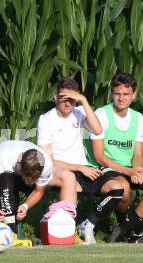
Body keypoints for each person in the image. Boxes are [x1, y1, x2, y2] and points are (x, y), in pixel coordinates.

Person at [37, 77, 130, 244]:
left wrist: (84, 101)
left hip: (82, 168)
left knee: (117, 188)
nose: (68, 103)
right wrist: (79, 167)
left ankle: (87, 225)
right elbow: (49, 160)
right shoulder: (46, 120)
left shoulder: (78, 112)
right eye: (64, 98)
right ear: (55, 98)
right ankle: (65, 233)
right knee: (69, 178)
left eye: (72, 99)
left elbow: (97, 128)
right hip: (60, 169)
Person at [0, 140, 78, 235]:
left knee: (57, 181)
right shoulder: (0, 163)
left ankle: (59, 232)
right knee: (7, 178)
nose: (29, 182)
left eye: (34, 178)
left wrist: (25, 206)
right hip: (3, 170)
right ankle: (9, 231)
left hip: (19, 170)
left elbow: (38, 191)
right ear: (20, 167)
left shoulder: (45, 165)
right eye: (27, 178)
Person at [87, 73, 143, 243]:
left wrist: (138, 171)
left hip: (128, 168)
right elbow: (99, 157)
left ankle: (124, 228)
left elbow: (138, 154)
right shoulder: (102, 114)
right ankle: (125, 230)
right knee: (124, 188)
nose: (121, 98)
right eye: (117, 93)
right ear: (112, 93)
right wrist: (128, 171)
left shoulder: (138, 118)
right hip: (105, 167)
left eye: (126, 94)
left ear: (133, 95)